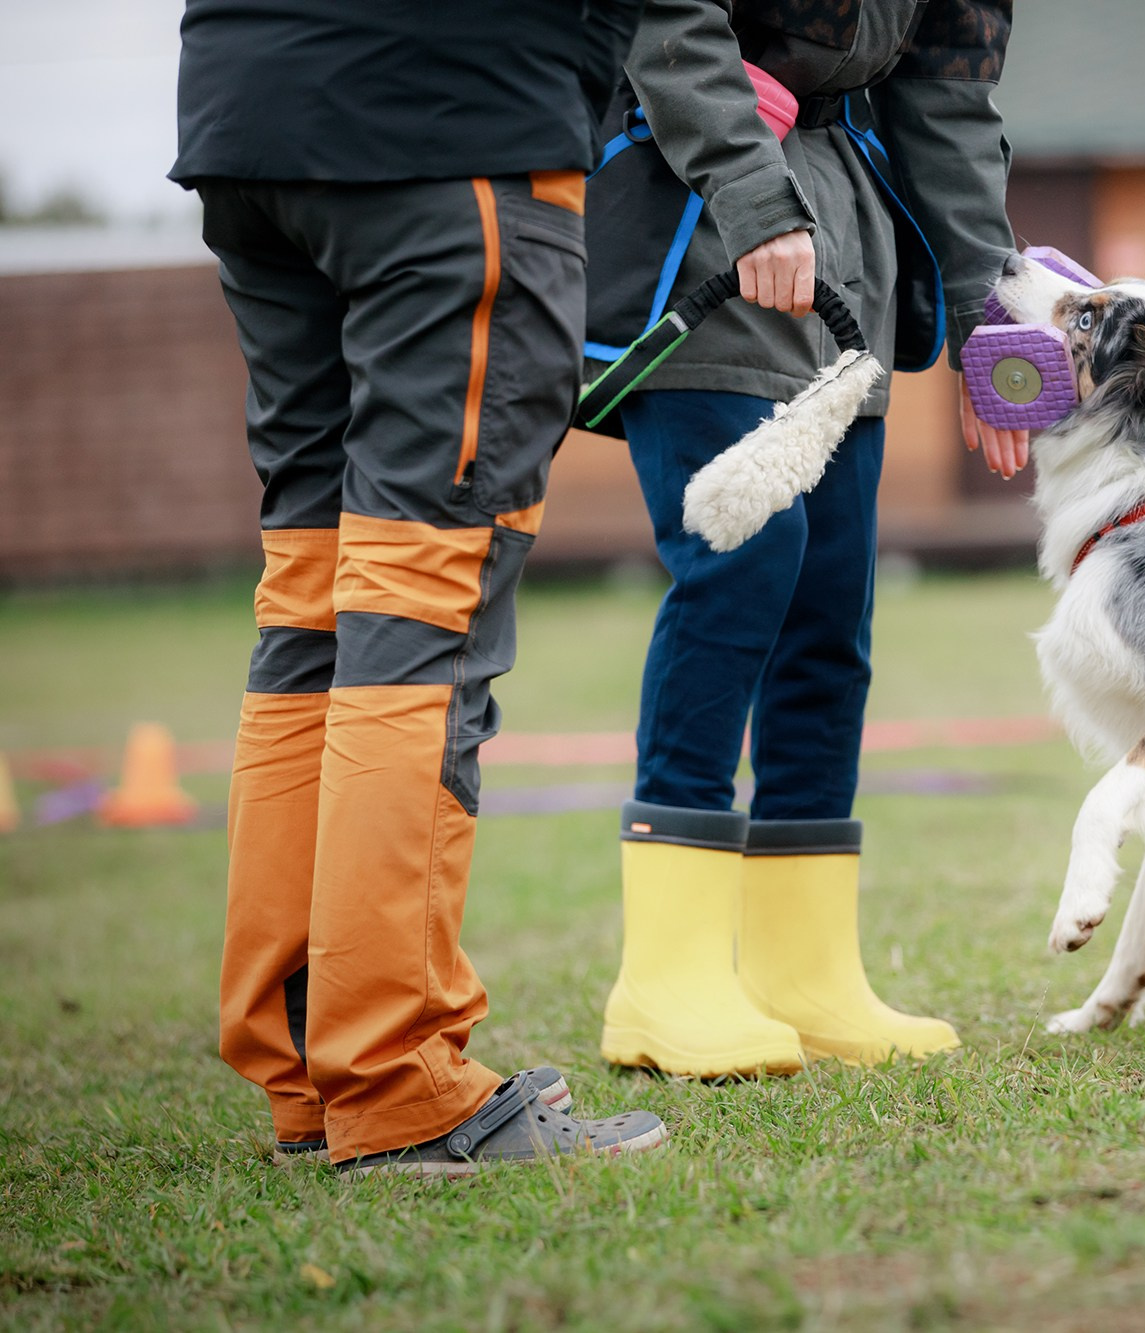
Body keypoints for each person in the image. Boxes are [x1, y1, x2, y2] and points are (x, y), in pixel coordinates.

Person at [174, 0, 666, 1174]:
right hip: (451, 119)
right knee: (419, 600)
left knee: (311, 593)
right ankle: (399, 1081)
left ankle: (311, 1069)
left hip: (250, 109)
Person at [588, 0, 1026, 1077]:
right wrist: (748, 190)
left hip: (842, 234)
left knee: (830, 601)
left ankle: (803, 969)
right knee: (744, 566)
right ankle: (665, 977)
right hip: (697, 207)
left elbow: (946, 97)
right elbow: (668, 20)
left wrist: (983, 308)